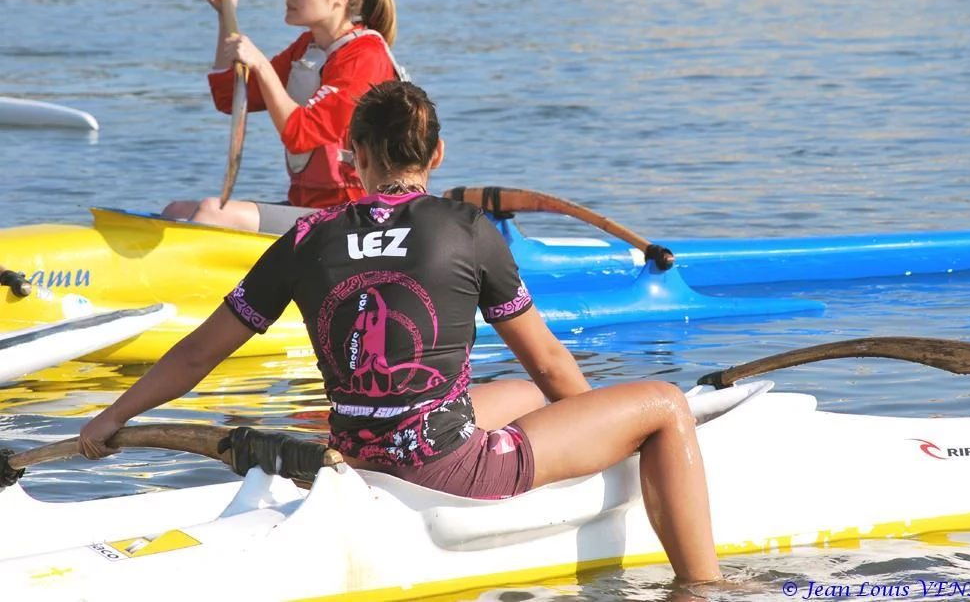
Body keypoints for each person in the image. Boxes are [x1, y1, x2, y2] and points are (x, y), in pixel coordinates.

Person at [81, 81, 722, 584]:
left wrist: (111, 417)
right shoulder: (468, 229)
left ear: (354, 157)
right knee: (662, 405)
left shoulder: (304, 237)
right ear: (436, 155)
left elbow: (197, 352)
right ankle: (701, 585)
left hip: (357, 449)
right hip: (451, 468)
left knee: (521, 397)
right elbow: (552, 365)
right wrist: (609, 440)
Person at [162, 0, 407, 234]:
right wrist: (226, 15)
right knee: (176, 212)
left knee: (211, 213)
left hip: (356, 219)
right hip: (310, 209)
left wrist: (261, 65)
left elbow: (300, 134)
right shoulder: (308, 48)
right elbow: (229, 97)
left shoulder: (365, 57)